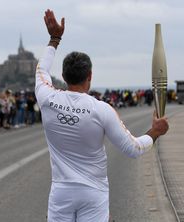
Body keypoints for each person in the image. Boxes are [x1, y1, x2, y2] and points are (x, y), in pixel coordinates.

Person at [36, 9, 169, 222]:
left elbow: (41, 69)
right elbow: (133, 148)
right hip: (93, 193)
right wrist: (155, 131)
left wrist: (54, 39)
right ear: (90, 76)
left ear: (62, 76)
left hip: (61, 193)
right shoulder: (101, 109)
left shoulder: (46, 97)